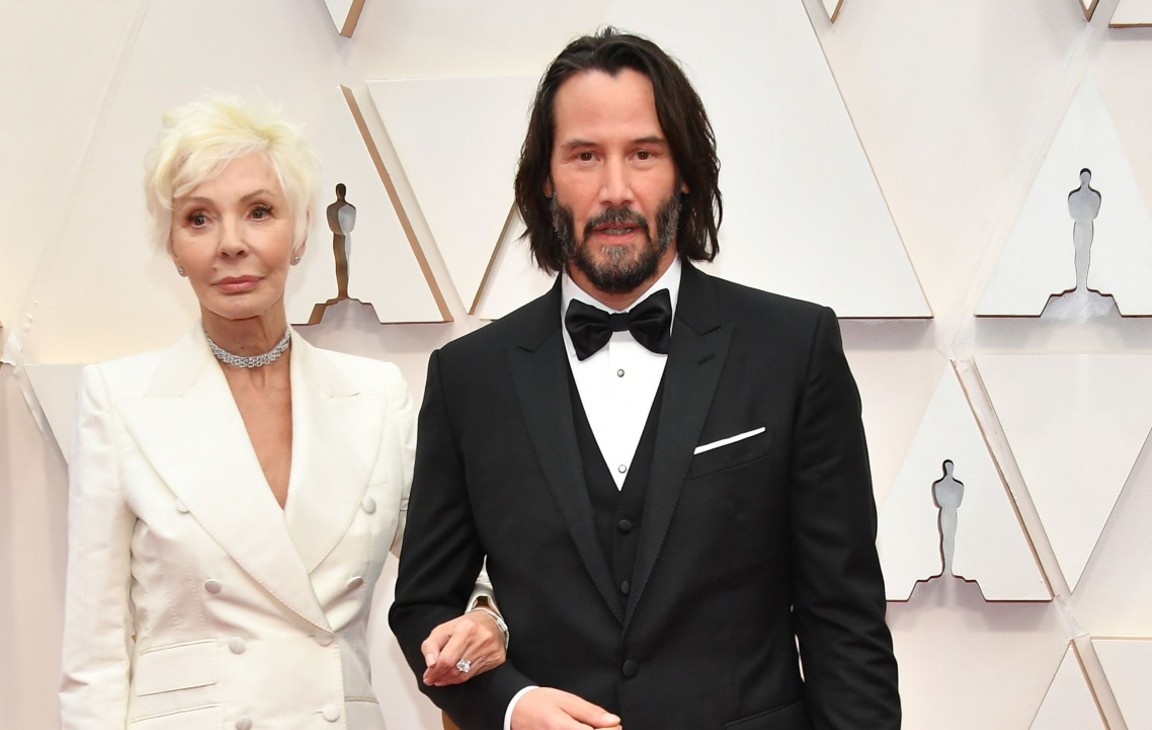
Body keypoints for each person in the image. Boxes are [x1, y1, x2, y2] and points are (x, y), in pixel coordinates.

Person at [390, 29, 900, 730]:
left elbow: (844, 619)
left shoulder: (793, 349)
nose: (615, 190)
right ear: (546, 179)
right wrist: (510, 705)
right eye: (584, 156)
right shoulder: (468, 378)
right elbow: (424, 606)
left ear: (684, 171)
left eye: (644, 154)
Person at [59, 97, 505, 730]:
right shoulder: (118, 398)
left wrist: (488, 615)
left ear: (299, 235)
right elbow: (94, 656)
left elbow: (452, 571)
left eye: (259, 212)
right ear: (172, 245)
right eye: (199, 219)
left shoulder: (377, 398)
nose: (231, 244)